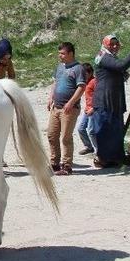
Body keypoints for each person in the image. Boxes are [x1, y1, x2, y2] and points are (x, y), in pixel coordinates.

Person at [91, 34, 130, 168]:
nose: (115, 46)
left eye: (116, 44)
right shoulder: (103, 56)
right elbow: (121, 66)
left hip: (114, 100)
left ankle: (116, 158)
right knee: (104, 130)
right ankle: (103, 159)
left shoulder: (110, 57)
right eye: (111, 44)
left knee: (115, 131)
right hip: (104, 100)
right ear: (105, 45)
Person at [46, 42, 86, 176]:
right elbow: (55, 82)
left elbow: (81, 87)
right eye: (59, 53)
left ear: (71, 54)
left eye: (62, 53)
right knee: (52, 135)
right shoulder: (59, 67)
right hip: (56, 107)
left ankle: (67, 165)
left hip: (69, 108)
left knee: (65, 137)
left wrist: (71, 102)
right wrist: (51, 97)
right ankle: (54, 163)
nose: (60, 56)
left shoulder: (78, 68)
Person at [76, 63, 97, 155]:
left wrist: (93, 108)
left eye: (85, 74)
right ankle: (89, 147)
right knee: (80, 128)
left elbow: (99, 97)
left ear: (90, 73)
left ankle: (99, 151)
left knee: (92, 131)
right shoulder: (85, 82)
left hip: (93, 110)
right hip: (87, 109)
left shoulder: (94, 82)